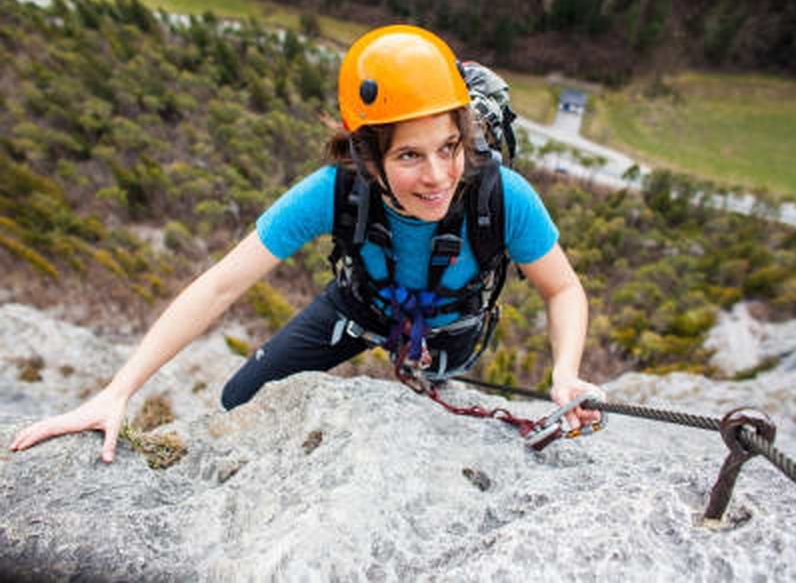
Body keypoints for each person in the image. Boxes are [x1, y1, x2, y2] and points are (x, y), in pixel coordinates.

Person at [10, 24, 602, 463]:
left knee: (431, 417)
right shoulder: (335, 191)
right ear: (366, 155)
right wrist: (117, 392)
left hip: (450, 334)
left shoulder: (502, 195)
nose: (439, 176)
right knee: (238, 399)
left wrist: (565, 371)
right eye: (409, 156)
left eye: (449, 147)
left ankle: (427, 373)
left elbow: (562, 288)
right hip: (358, 307)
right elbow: (220, 285)